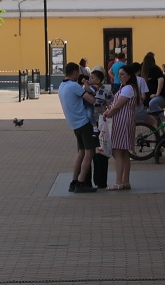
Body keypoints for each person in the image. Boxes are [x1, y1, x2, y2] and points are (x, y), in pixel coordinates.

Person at [57, 62, 97, 193]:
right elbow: (91, 100)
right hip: (84, 123)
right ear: (74, 72)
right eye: (78, 72)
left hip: (74, 124)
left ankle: (73, 181)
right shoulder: (74, 86)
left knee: (81, 153)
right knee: (89, 153)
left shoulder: (61, 86)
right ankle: (81, 183)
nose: (80, 74)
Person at [102, 64, 138, 190]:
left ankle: (118, 181)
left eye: (122, 74)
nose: (120, 76)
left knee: (117, 151)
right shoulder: (128, 87)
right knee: (124, 153)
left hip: (122, 121)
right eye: (119, 74)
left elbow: (118, 106)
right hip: (126, 120)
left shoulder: (127, 88)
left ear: (129, 76)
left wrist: (108, 114)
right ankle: (125, 181)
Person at [141, 52, 165, 123]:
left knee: (153, 103)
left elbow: (161, 79)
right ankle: (157, 129)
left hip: (161, 96)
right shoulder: (146, 72)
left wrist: (157, 94)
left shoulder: (154, 69)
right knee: (151, 117)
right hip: (150, 98)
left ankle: (163, 120)